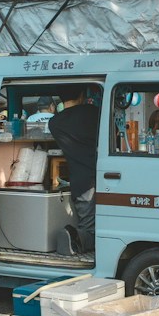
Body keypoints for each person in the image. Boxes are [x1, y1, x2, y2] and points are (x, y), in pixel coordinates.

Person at [47, 84, 99, 254]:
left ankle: (75, 236)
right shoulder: (93, 113)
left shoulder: (54, 123)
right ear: (82, 94)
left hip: (81, 182)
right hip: (104, 176)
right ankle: (73, 237)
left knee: (89, 224)